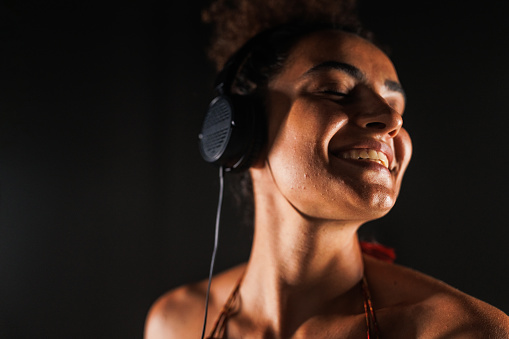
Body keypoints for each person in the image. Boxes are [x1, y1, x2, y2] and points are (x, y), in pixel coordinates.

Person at [145, 0, 509, 337]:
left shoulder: (461, 332)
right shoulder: (176, 323)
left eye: (395, 104)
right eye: (334, 90)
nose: (390, 119)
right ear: (243, 132)